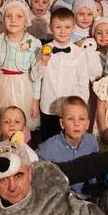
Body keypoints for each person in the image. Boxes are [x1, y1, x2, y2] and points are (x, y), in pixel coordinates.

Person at [32, 8, 98, 140]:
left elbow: (82, 83)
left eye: (67, 27)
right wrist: (43, 62)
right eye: (58, 27)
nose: (63, 31)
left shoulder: (79, 53)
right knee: (48, 141)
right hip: (48, 107)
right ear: (51, 28)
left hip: (71, 110)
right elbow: (34, 77)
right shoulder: (44, 50)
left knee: (70, 140)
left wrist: (81, 107)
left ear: (73, 28)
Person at [0, 0, 42, 132]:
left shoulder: (34, 43)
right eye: (9, 16)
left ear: (26, 21)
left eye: (19, 16)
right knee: (3, 121)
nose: (13, 20)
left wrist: (35, 100)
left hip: (24, 87)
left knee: (22, 123)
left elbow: (37, 75)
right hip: (2, 86)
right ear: (3, 19)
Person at [36, 96, 99, 193]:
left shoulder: (92, 142)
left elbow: (94, 172)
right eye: (70, 119)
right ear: (62, 123)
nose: (76, 123)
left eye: (81, 119)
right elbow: (37, 176)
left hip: (86, 195)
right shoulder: (47, 149)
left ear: (87, 124)